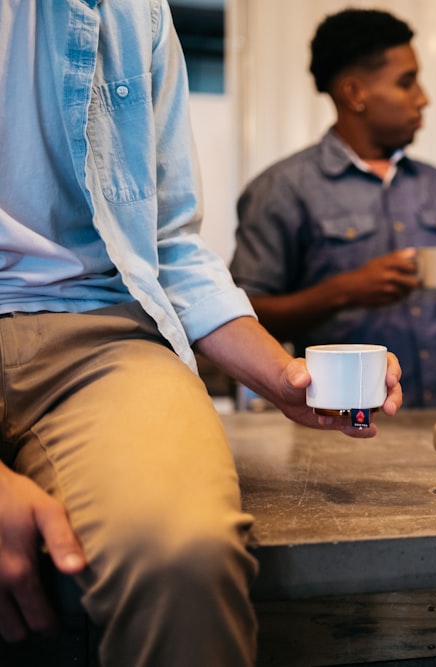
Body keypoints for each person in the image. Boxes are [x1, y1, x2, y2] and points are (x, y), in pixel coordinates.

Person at [0, 2, 402, 666]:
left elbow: (170, 247)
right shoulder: (287, 187)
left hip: (104, 332)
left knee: (185, 551)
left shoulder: (140, 14)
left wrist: (284, 377)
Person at [230, 8, 436, 409]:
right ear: (355, 94)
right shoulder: (282, 188)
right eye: (406, 82)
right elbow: (244, 315)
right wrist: (345, 291)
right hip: (342, 426)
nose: (423, 98)